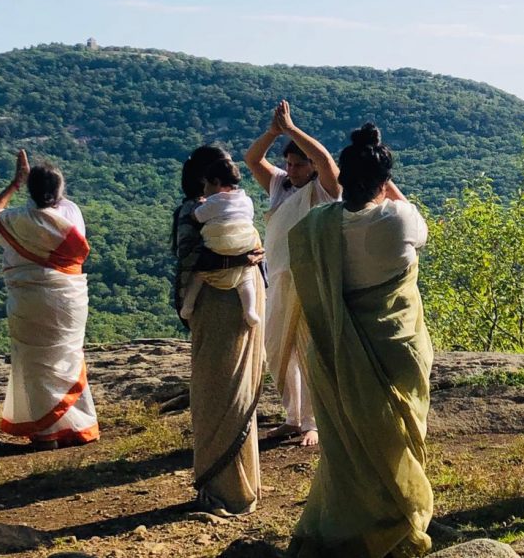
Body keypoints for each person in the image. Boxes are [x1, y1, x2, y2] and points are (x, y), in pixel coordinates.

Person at [287, 122, 432, 557]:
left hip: (333, 351)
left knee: (346, 445)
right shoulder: (398, 218)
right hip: (394, 346)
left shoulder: (314, 226)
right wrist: (381, 169)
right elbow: (416, 224)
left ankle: (349, 519)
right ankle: (396, 518)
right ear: (384, 182)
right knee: (396, 435)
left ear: (340, 178)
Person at [172, 145, 264, 516]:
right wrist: (242, 258)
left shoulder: (195, 212)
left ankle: (226, 489)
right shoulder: (237, 206)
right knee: (231, 388)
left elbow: (188, 258)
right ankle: (240, 485)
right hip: (243, 291)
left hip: (218, 298)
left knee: (218, 391)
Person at [0, 149, 99, 449]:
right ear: (60, 192)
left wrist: (14, 184)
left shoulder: (15, 219)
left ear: (30, 190)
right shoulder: (71, 216)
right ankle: (76, 427)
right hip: (68, 297)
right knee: (68, 357)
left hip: (27, 299)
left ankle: (46, 434)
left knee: (36, 364)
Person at [244, 100, 341, 445]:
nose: (292, 169)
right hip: (279, 278)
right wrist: (273, 132)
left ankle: (314, 422)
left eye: (299, 164)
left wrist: (292, 129)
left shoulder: (323, 189)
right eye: (289, 162)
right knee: (276, 348)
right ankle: (293, 417)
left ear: (311, 166)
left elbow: (329, 162)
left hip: (310, 281)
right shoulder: (280, 185)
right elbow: (252, 160)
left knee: (310, 350)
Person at [181, 157, 263, 327]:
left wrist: (201, 205)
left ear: (216, 182)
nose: (204, 190)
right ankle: (250, 311)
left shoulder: (214, 202)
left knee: (198, 275)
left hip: (219, 244)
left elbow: (197, 216)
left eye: (206, 185)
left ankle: (187, 306)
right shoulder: (247, 201)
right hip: (244, 244)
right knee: (246, 278)